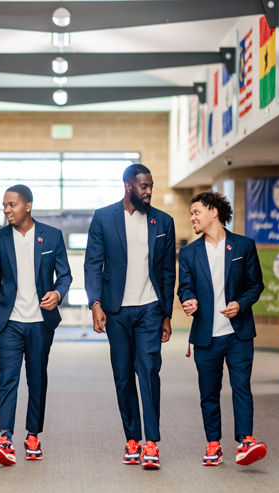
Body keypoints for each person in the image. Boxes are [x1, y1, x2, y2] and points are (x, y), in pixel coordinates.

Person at [84, 163, 176, 469]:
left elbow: (166, 272)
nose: (149, 191)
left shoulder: (163, 221)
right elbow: (93, 263)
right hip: (116, 311)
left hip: (150, 308)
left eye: (151, 186)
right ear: (128, 186)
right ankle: (132, 440)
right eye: (143, 186)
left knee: (148, 371)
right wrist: (95, 303)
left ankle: (151, 443)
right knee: (123, 377)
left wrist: (166, 314)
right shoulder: (104, 217)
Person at [0, 185, 72, 466]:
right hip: (9, 322)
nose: (7, 210)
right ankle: (5, 437)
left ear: (28, 206)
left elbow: (65, 276)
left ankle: (32, 435)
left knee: (37, 379)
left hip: (40, 324)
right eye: (4, 205)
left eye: (12, 205)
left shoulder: (52, 236)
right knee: (7, 379)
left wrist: (58, 294)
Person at [177, 191, 266, 467]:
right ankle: (213, 444)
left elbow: (256, 285)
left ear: (213, 212)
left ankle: (246, 440)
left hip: (238, 333)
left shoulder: (243, 246)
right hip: (206, 335)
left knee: (241, 386)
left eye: (196, 212)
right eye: (191, 213)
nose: (192, 217)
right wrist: (188, 300)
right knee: (209, 392)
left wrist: (240, 304)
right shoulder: (189, 253)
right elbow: (185, 287)